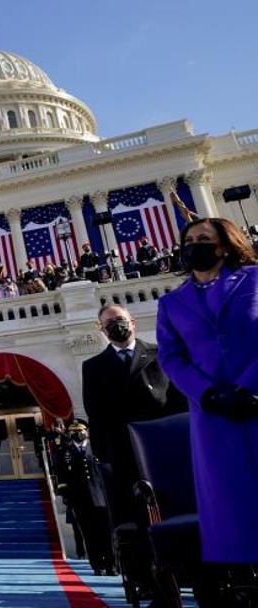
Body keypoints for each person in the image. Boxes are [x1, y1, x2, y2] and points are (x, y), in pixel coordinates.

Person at [155, 217, 258, 567]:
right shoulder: (171, 303)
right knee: (232, 502)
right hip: (214, 414)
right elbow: (171, 357)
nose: (193, 245)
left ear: (224, 245)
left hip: (255, 398)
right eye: (188, 240)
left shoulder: (255, 279)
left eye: (203, 238)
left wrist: (248, 386)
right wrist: (209, 394)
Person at [82, 303, 186, 522]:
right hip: (124, 453)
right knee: (136, 517)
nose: (116, 325)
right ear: (102, 330)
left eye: (120, 319)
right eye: (109, 323)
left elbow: (179, 400)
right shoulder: (93, 366)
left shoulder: (160, 354)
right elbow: (95, 414)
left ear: (133, 322)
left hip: (164, 445)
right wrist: (103, 456)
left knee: (176, 510)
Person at [54, 421, 115, 576]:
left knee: (105, 532)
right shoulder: (64, 451)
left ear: (85, 431)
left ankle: (110, 565)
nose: (77, 434)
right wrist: (67, 497)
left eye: (79, 431)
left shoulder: (97, 447)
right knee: (89, 534)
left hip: (100, 498)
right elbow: (61, 476)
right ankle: (97, 565)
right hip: (80, 500)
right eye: (73, 432)